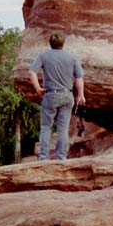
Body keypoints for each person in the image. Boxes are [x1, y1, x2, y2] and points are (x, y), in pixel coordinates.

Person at [29, 32, 85, 161]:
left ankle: (43, 158)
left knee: (46, 127)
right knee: (63, 129)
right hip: (67, 94)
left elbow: (32, 72)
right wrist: (80, 94)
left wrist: (38, 89)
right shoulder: (71, 57)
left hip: (51, 95)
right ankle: (61, 158)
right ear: (63, 43)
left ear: (50, 43)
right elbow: (79, 77)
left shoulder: (43, 56)